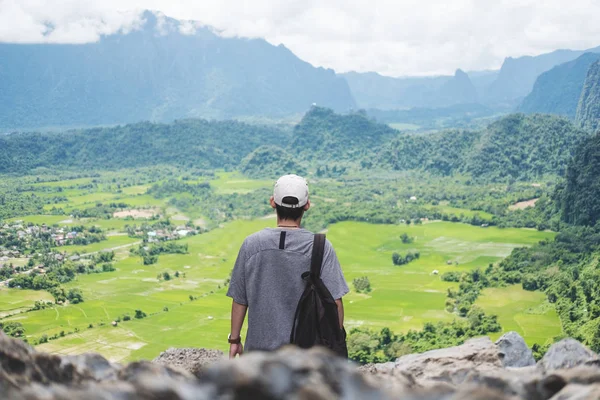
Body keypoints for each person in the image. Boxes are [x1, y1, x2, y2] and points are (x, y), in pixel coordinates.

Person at [226, 174, 349, 358]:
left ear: (272, 203)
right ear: (307, 205)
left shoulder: (251, 244)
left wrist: (234, 341)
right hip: (304, 357)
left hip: (258, 357)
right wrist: (335, 345)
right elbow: (335, 303)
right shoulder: (320, 247)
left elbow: (239, 299)